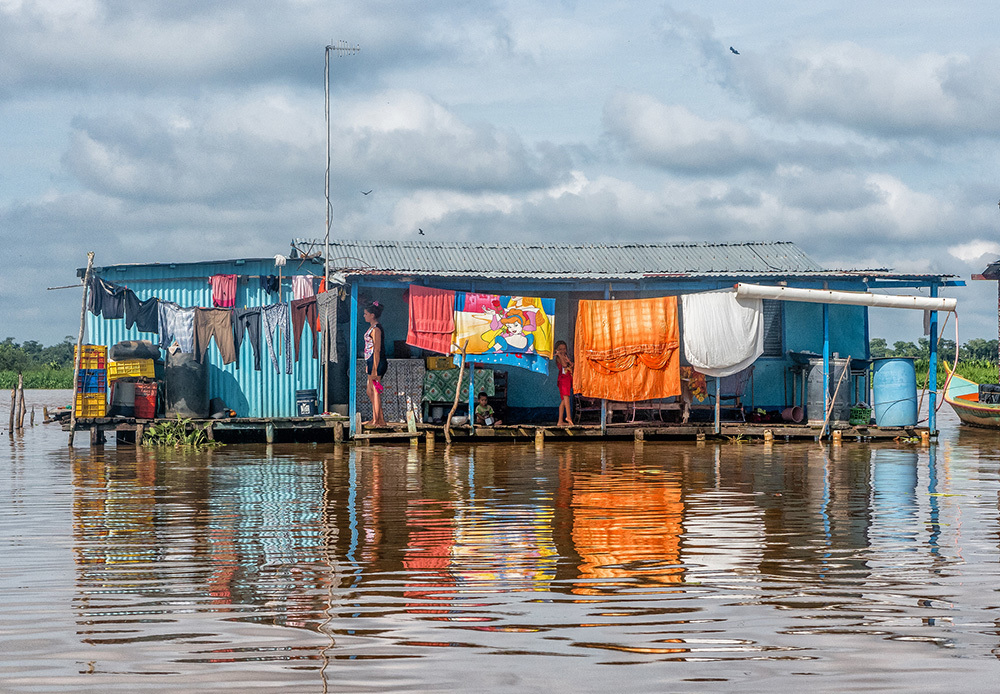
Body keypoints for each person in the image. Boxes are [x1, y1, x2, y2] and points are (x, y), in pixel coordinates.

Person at [363, 300, 388, 427]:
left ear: (372, 315)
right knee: (370, 391)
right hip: (371, 361)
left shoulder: (376, 329)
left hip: (376, 362)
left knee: (375, 390)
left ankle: (376, 420)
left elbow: (377, 349)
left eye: (366, 314)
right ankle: (380, 419)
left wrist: (375, 368)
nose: (364, 316)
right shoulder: (371, 328)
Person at [554, 340, 574, 426]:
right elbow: (564, 365)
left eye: (564, 349)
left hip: (567, 379)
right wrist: (560, 355)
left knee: (563, 401)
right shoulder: (559, 358)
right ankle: (568, 417)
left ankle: (560, 421)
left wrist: (569, 361)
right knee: (566, 400)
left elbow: (571, 365)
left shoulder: (565, 356)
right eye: (560, 349)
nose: (563, 351)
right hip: (563, 380)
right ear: (556, 350)